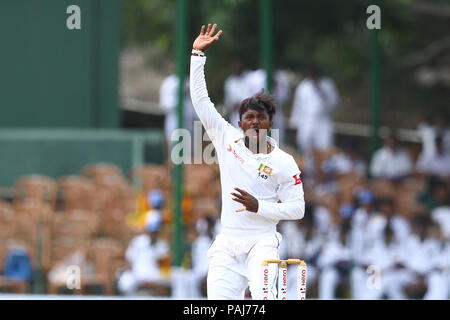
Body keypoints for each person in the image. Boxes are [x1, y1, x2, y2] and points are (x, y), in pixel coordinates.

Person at [190, 23, 305, 300]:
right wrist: (196, 56)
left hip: (262, 243)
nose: (255, 122)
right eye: (249, 118)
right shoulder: (227, 139)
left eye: (261, 118)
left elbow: (298, 209)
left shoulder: (283, 161)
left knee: (265, 299)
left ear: (270, 123)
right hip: (227, 244)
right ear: (240, 123)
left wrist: (260, 207)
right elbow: (201, 102)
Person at [289, 62, 340, 155]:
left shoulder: (327, 84)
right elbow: (297, 107)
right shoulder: (303, 86)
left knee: (324, 148)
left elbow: (334, 103)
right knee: (306, 150)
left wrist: (319, 89)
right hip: (306, 122)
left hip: (323, 122)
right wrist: (295, 124)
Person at [117, 214, 170, 295]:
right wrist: (133, 271)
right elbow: (128, 260)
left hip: (154, 274)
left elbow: (164, 265)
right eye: (152, 231)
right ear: (148, 231)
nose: (153, 234)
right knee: (125, 282)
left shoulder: (163, 245)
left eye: (156, 231)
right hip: (136, 273)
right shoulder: (138, 241)